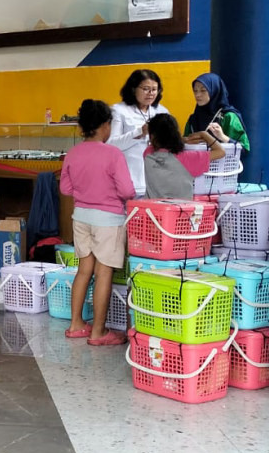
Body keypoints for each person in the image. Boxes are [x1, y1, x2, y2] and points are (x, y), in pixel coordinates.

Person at [59, 99, 136, 346]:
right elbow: (127, 190)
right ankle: (99, 332)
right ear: (105, 125)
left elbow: (65, 187)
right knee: (104, 273)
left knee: (83, 271)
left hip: (81, 217)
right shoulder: (112, 154)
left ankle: (76, 325)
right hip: (108, 220)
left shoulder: (73, 152)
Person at [108, 69, 169, 198]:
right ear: (133, 88)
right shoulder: (119, 110)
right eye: (146, 89)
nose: (151, 93)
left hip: (157, 181)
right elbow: (111, 145)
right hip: (130, 180)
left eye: (154, 89)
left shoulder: (162, 111)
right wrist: (140, 132)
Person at [144, 113, 226, 200]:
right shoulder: (188, 158)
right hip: (181, 211)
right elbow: (221, 151)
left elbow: (156, 144)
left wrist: (183, 140)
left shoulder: (148, 154)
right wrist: (204, 135)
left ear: (151, 136)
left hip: (151, 211)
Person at [183, 72, 250, 152]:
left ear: (214, 90)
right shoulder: (193, 119)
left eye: (203, 90)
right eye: (195, 91)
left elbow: (244, 149)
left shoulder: (228, 117)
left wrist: (222, 137)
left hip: (224, 163)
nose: (198, 95)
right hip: (198, 163)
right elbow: (184, 145)